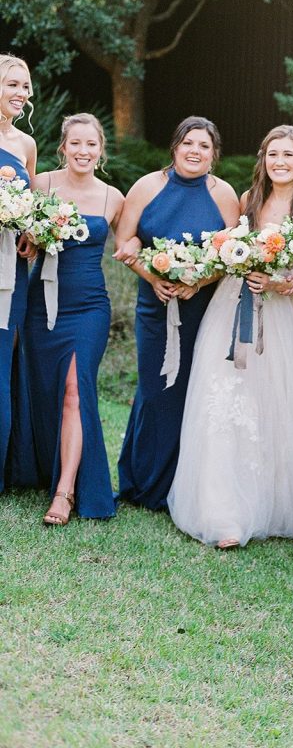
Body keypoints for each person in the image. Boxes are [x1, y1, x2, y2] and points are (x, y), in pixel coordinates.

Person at [168, 124, 293, 547]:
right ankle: (225, 513)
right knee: (225, 404)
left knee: (276, 408)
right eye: (272, 154)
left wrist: (281, 283)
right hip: (231, 309)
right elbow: (227, 251)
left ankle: (272, 504)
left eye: (288, 155)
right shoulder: (248, 201)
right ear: (264, 159)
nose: (279, 161)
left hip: (281, 319)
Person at [115, 117, 239, 510]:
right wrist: (151, 276)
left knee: (190, 391)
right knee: (155, 390)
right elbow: (124, 242)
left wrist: (199, 282)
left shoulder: (224, 195)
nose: (194, 151)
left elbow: (234, 254)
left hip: (202, 308)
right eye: (188, 143)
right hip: (154, 305)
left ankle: (177, 485)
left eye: (203, 146)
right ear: (175, 147)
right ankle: (140, 479)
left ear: (213, 154)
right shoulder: (148, 186)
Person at [25, 114, 124, 524]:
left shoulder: (113, 198)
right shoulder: (41, 185)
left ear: (101, 151)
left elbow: (132, 244)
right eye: (76, 143)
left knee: (74, 389)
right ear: (63, 147)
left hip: (89, 308)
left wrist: (172, 271)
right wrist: (26, 242)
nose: (83, 151)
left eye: (91, 144)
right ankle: (34, 468)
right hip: (40, 303)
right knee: (41, 388)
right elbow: (18, 234)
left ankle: (65, 492)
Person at [0, 54, 37, 493]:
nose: (21, 93)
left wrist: (31, 231)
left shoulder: (25, 144)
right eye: (12, 84)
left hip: (12, 273)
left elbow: (28, 205)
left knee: (4, 365)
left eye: (25, 86)